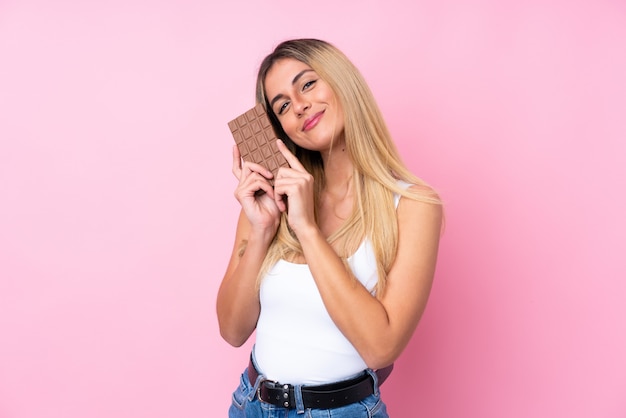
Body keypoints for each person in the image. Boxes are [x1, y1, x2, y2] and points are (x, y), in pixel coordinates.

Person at [217, 38, 443, 418]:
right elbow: (233, 330)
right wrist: (261, 230)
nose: (300, 105)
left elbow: (380, 346)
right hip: (252, 405)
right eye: (283, 106)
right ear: (282, 129)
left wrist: (306, 228)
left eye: (307, 84)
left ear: (342, 83)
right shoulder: (271, 200)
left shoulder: (414, 205)